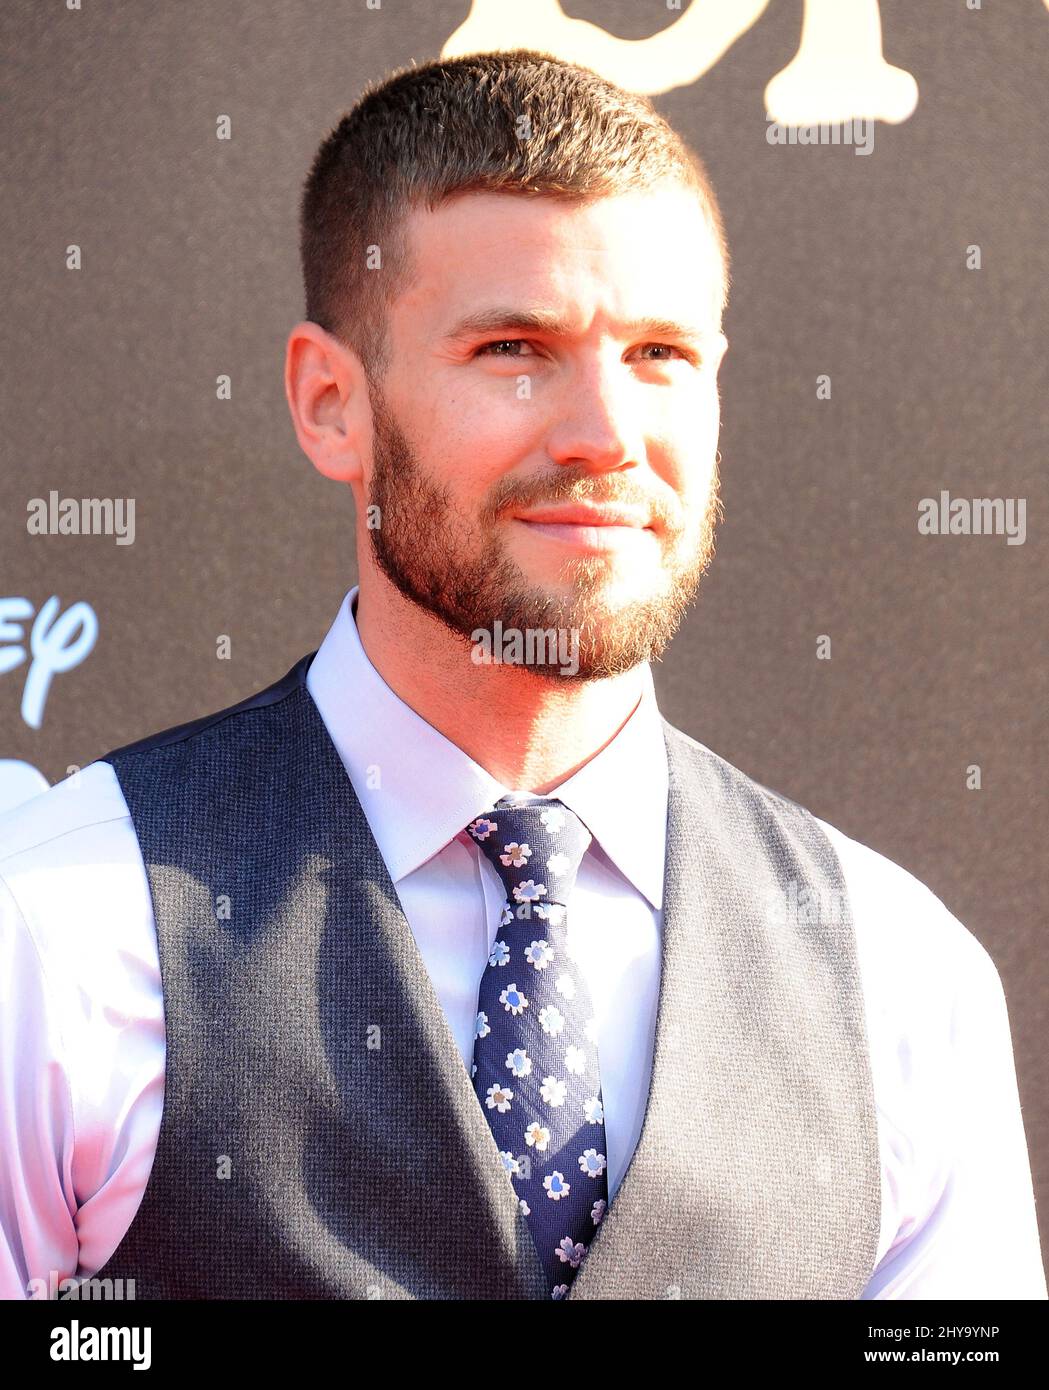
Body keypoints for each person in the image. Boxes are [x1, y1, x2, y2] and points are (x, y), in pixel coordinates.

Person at [0, 49, 1045, 1302]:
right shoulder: (59, 932)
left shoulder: (898, 974)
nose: (603, 434)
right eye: (514, 347)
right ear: (331, 401)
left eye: (659, 354)